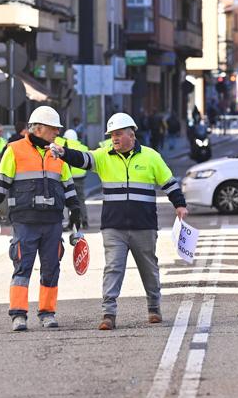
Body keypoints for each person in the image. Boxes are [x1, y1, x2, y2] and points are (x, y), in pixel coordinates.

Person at [51, 112, 188, 330]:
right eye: (111, 135)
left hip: (144, 226)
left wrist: (179, 205)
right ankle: (108, 314)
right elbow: (83, 158)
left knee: (149, 268)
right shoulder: (104, 155)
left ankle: (154, 308)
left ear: (131, 135)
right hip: (113, 227)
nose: (113, 138)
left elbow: (169, 183)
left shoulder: (151, 157)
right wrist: (63, 152)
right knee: (113, 268)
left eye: (117, 134)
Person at [0, 106, 81, 332]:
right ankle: (18, 315)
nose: (57, 133)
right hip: (25, 220)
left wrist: (75, 207)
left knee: (51, 267)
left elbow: (67, 184)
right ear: (38, 128)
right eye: (53, 129)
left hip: (52, 221)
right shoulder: (15, 150)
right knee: (23, 266)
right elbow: (1, 183)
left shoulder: (58, 152)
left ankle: (48, 313)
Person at [55, 129, 89, 230]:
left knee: (70, 200)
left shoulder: (63, 145)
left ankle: (71, 222)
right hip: (81, 178)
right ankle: (85, 221)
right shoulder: (83, 147)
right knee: (81, 199)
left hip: (68, 177)